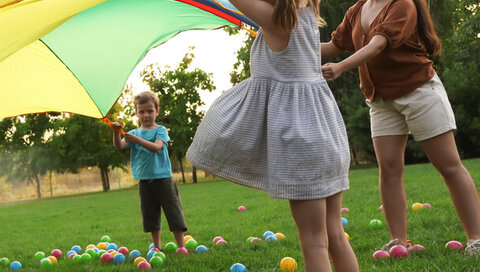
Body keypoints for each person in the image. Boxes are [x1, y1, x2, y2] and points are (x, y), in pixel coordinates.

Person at [186, 0, 359, 270]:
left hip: (302, 143)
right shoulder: (308, 15)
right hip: (327, 137)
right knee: (334, 234)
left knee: (314, 241)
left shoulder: (276, 19)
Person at [321, 0, 480, 254]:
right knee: (389, 170)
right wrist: (292, 46)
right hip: (381, 100)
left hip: (419, 92)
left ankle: (476, 239)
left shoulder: (402, 4)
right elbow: (333, 46)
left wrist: (341, 67)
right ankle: (398, 239)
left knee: (449, 165)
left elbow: (377, 45)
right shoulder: (356, 10)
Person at [111, 91, 188, 254]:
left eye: (150, 111)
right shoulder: (133, 133)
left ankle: (181, 247)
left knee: (173, 213)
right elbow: (119, 146)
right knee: (151, 217)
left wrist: (136, 140)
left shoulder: (160, 130)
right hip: (144, 182)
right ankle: (157, 247)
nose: (146, 115)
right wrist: (116, 132)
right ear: (136, 113)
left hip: (163, 180)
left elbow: (156, 147)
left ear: (157, 111)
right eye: (142, 112)